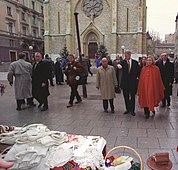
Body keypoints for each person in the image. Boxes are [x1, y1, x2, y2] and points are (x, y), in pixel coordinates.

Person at [119, 50, 139, 116]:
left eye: (127, 55)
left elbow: (138, 71)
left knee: (133, 96)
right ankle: (127, 109)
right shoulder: (122, 62)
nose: (126, 56)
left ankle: (132, 110)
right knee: (126, 96)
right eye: (125, 55)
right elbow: (118, 65)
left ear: (130, 55)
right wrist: (119, 66)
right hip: (125, 83)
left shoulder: (135, 62)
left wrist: (137, 78)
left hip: (133, 83)